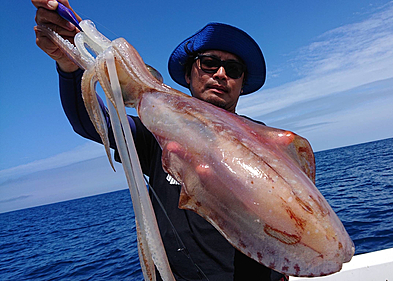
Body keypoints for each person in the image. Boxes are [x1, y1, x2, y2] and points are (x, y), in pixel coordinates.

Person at [33, 1, 287, 280]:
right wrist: (69, 63)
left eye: (233, 69)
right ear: (189, 75)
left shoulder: (265, 144)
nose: (221, 74)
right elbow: (93, 123)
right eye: (209, 63)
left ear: (241, 83)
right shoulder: (156, 135)